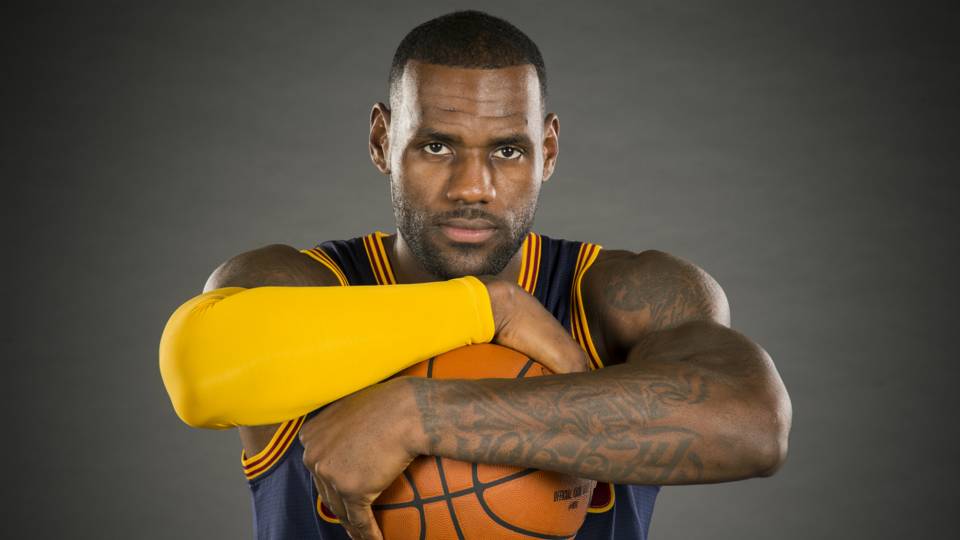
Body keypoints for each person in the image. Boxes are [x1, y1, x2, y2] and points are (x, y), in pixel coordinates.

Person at [159, 10, 792, 540]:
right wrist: (485, 308)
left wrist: (420, 416)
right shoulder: (303, 286)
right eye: (436, 146)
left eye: (507, 151)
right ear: (382, 141)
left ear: (548, 150)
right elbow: (200, 371)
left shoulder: (617, 296)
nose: (473, 187)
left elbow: (752, 424)